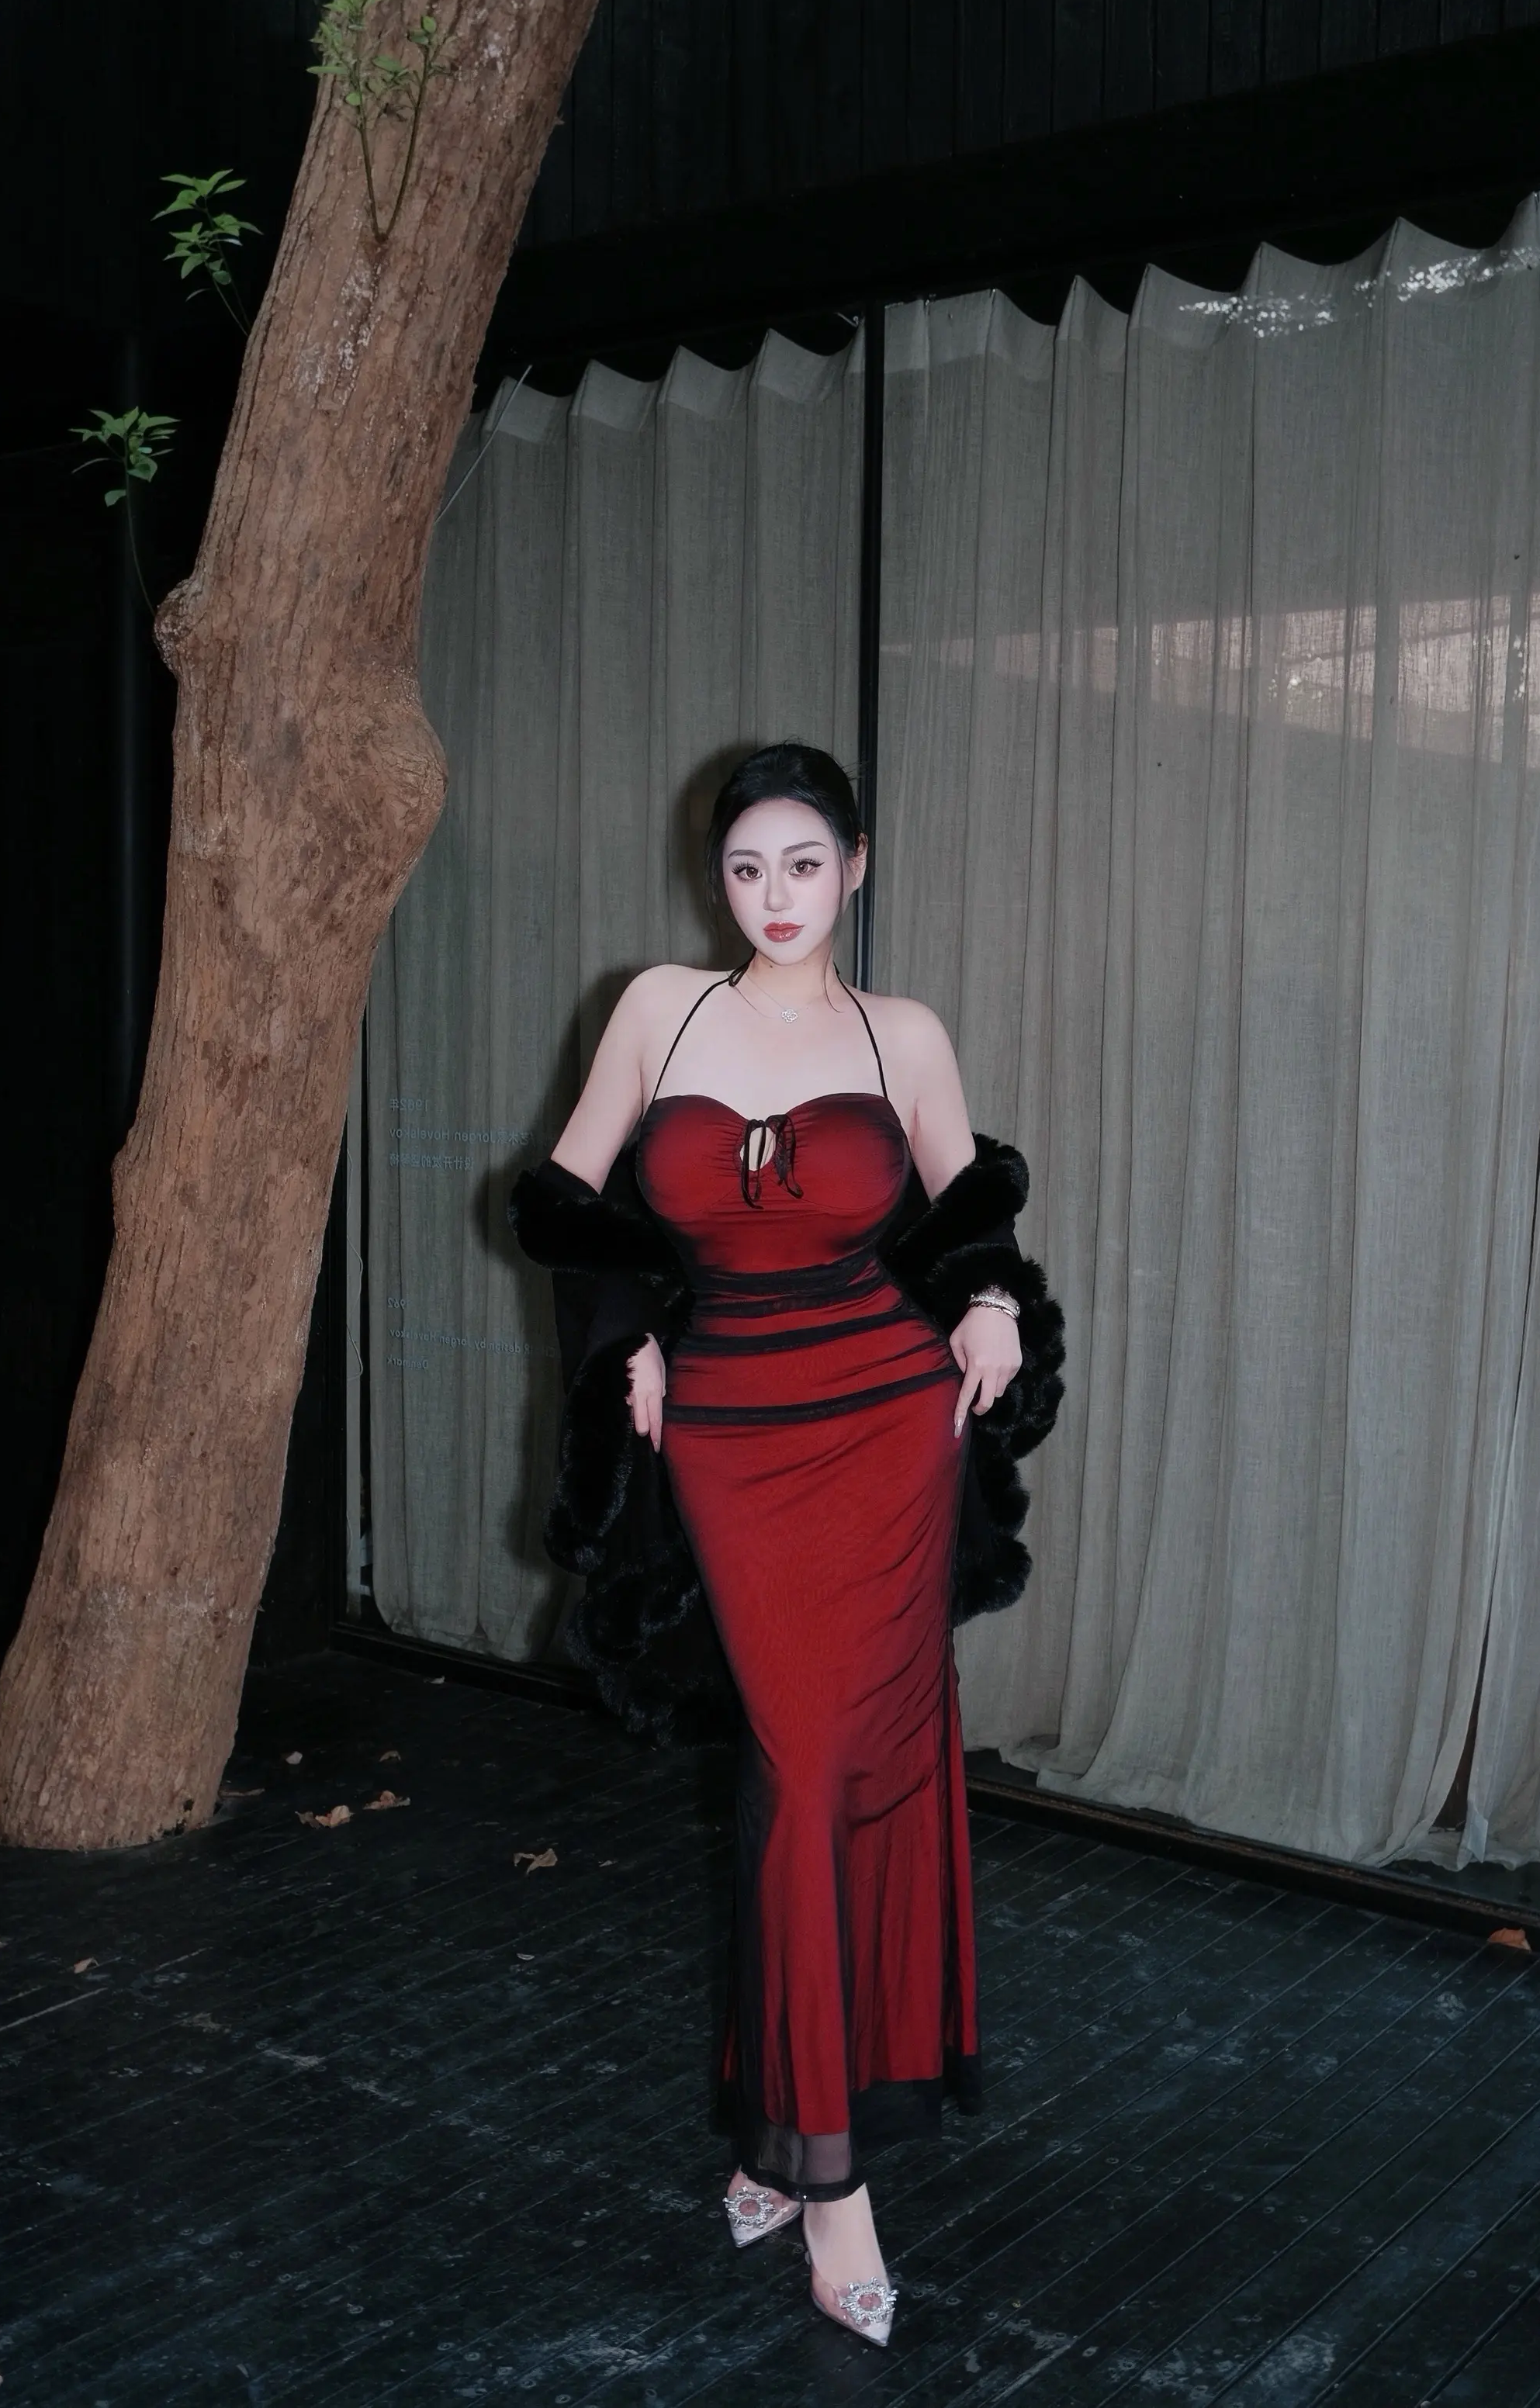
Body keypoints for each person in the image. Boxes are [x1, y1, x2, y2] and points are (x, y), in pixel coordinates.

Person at [510, 742, 1061, 2347]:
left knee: (849, 1778)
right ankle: (820, 2168)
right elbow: (562, 1198)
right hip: (731, 1438)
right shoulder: (660, 1010)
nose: (774, 895)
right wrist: (632, 1331)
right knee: (798, 1769)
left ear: (856, 867)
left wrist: (986, 1301)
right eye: (747, 866)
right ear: (719, 878)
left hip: (890, 1428)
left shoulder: (904, 1034)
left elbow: (969, 1212)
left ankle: (802, 2146)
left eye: (804, 864)